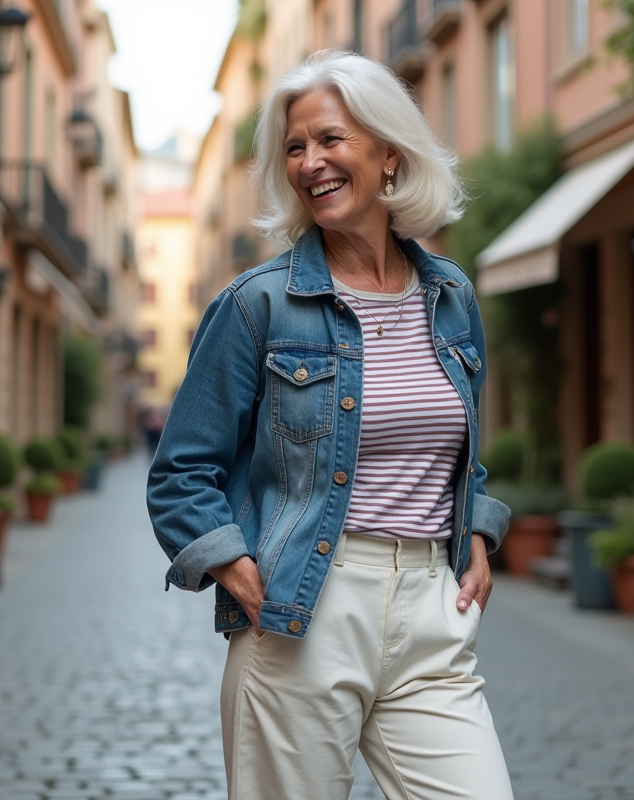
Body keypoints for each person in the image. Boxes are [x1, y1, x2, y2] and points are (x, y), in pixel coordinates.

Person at [146, 50, 513, 800]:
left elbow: (460, 449)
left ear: (388, 152)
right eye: (294, 147)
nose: (311, 162)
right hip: (302, 608)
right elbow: (181, 471)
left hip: (431, 613)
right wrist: (237, 570)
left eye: (330, 139)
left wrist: (476, 524)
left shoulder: (451, 297)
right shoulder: (258, 305)